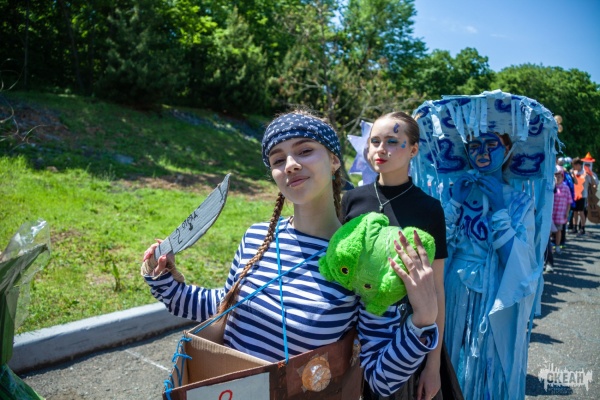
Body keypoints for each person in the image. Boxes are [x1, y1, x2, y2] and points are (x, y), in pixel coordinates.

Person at [140, 110, 440, 398]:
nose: (291, 165)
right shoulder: (257, 237)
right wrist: (163, 279)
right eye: (278, 159)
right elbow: (223, 310)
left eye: (305, 151)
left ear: (334, 160)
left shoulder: (362, 261)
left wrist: (423, 321)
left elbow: (380, 379)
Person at [411, 91, 560, 400]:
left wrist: (500, 208)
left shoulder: (519, 202)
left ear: (508, 150)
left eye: (491, 144)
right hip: (452, 292)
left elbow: (516, 264)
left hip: (494, 294)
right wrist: (453, 205)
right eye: (474, 145)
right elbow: (436, 251)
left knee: (486, 368)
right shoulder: (455, 192)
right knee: (451, 357)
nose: (481, 152)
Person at [341, 112, 461, 400]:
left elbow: (436, 290)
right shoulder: (351, 199)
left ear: (413, 149)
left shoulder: (429, 209)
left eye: (392, 141)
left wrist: (433, 365)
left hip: (406, 339)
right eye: (375, 141)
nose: (381, 149)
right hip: (351, 332)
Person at [571, 157, 598, 235]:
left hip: (583, 195)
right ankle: (574, 227)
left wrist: (590, 175)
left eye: (574, 165)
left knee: (581, 212)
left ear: (578, 165)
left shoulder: (585, 172)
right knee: (575, 212)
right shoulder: (574, 172)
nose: (573, 167)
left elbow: (594, 183)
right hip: (575, 195)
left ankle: (582, 228)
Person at [551, 166, 571, 254]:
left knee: (559, 231)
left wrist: (567, 212)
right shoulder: (552, 186)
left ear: (563, 178)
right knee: (549, 231)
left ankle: (558, 246)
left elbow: (569, 202)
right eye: (556, 176)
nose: (558, 178)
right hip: (551, 213)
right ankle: (549, 247)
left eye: (559, 177)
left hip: (560, 214)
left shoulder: (566, 188)